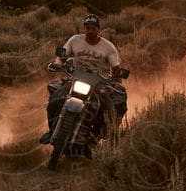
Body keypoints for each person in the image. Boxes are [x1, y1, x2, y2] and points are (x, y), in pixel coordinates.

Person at [42, 14, 125, 143]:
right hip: (75, 78)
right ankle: (51, 131)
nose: (90, 31)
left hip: (99, 83)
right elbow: (61, 57)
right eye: (87, 28)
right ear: (84, 28)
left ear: (99, 30)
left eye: (93, 28)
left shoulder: (108, 47)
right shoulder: (75, 40)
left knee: (112, 107)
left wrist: (117, 80)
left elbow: (116, 68)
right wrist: (57, 64)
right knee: (54, 98)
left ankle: (109, 136)